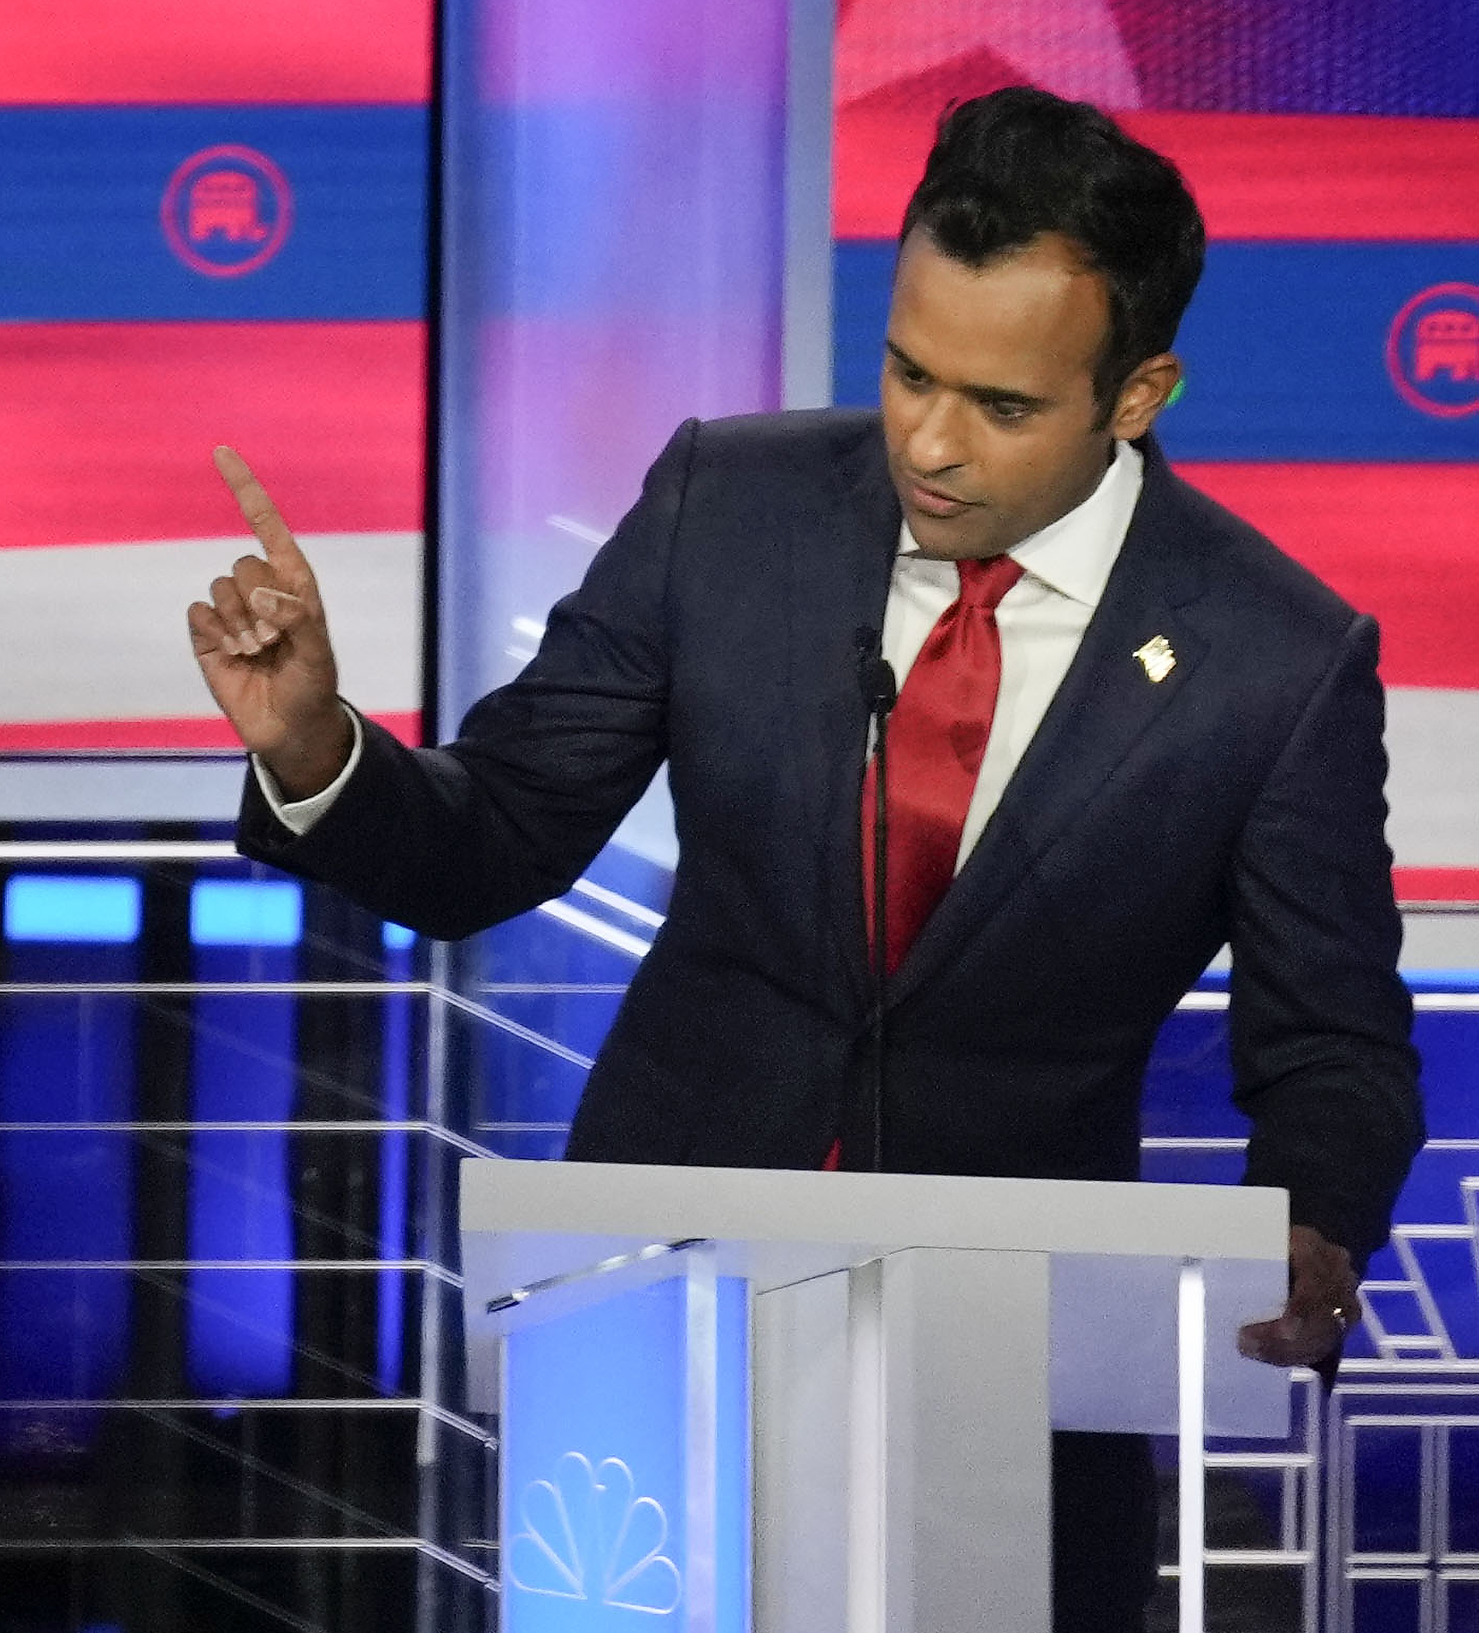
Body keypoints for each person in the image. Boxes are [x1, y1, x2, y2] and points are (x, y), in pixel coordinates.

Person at [191, 85, 1418, 1633]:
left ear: (1136, 394)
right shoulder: (730, 506)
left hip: (1016, 1359)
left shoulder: (1273, 659)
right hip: (660, 1313)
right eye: (908, 372)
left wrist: (1310, 1221)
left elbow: (1333, 1041)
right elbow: (493, 835)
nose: (930, 443)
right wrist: (316, 744)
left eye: (1001, 405)